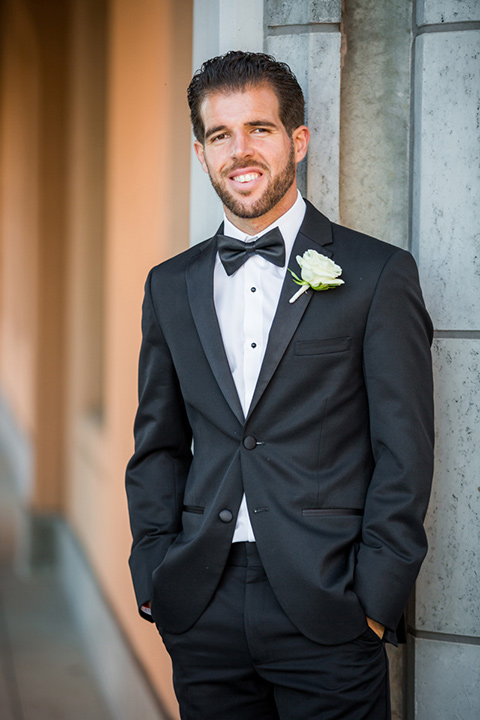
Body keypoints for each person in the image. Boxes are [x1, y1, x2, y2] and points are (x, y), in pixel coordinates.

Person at [126, 51, 434, 720]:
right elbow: (157, 444)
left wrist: (373, 604)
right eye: (219, 135)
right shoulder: (169, 285)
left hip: (329, 607)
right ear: (202, 152)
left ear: (297, 139)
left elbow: (404, 454)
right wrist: (154, 574)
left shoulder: (377, 275)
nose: (239, 151)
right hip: (199, 606)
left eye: (259, 129)